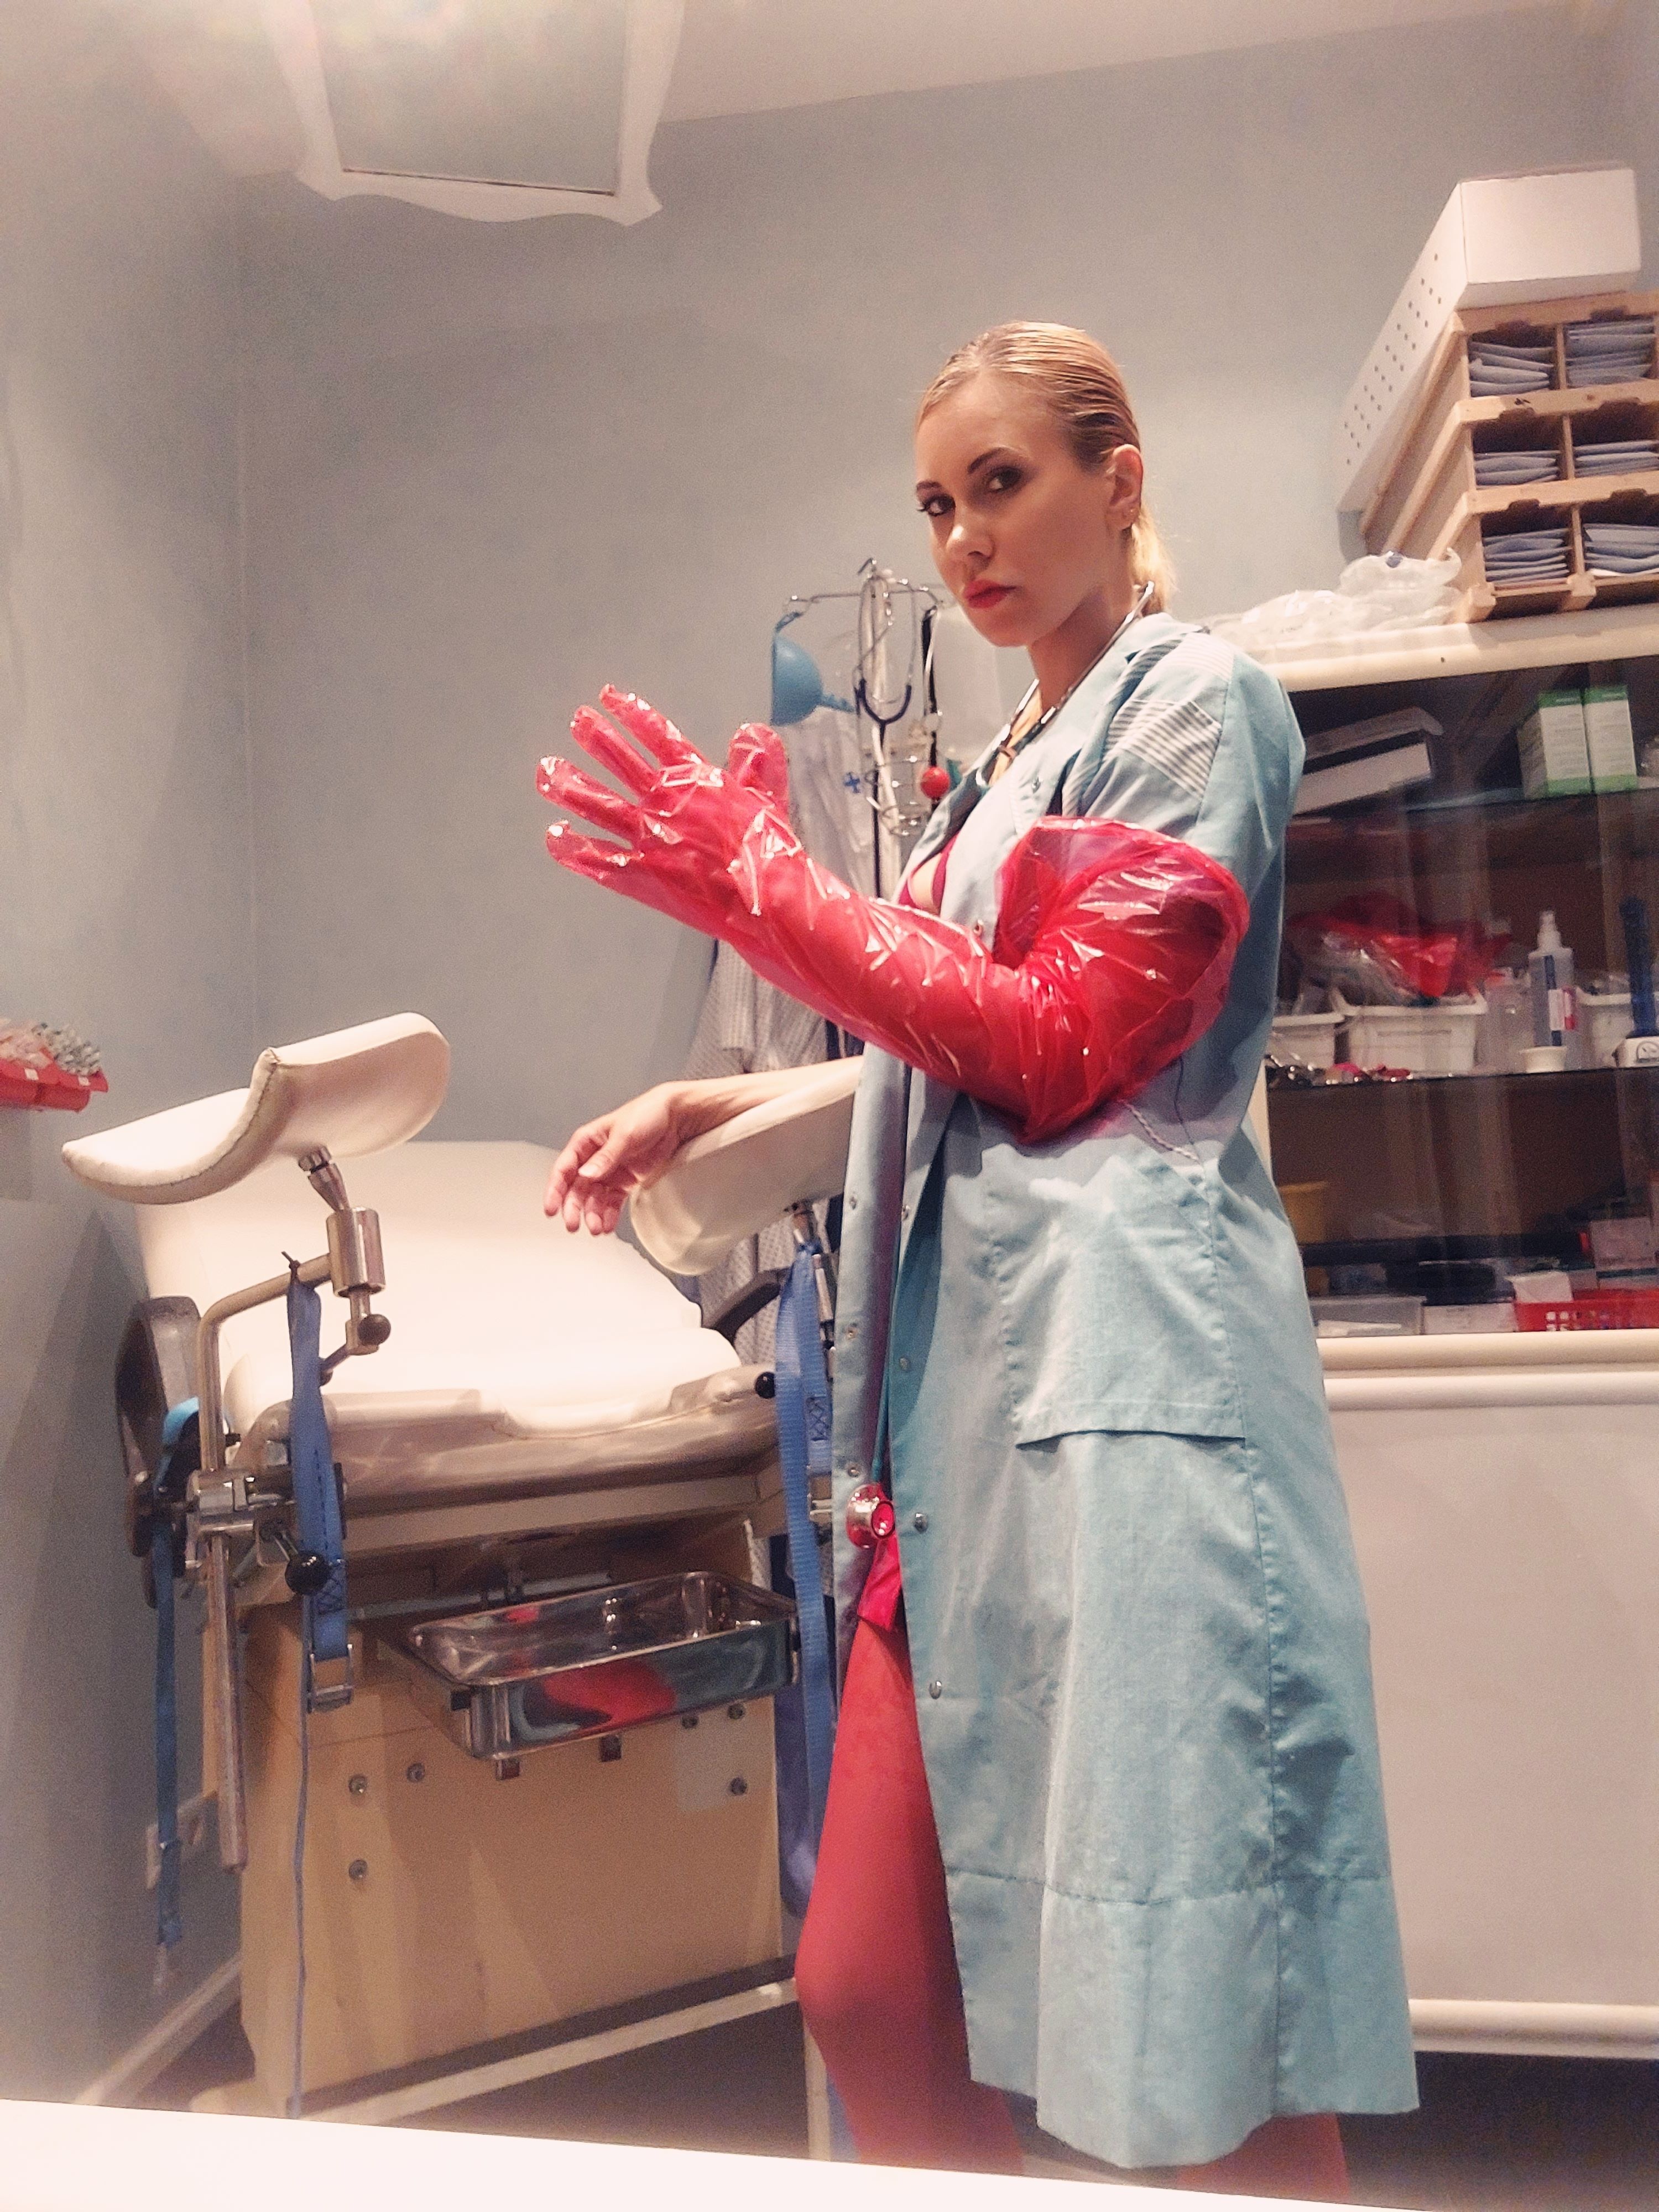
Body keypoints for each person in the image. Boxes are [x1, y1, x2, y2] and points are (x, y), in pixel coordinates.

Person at [538, 322, 1417, 2197]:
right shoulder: (998, 769)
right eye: (938, 504)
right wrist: (728, 1096)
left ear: (1121, 478)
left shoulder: (1199, 709)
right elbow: (944, 1043)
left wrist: (767, 893)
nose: (964, 540)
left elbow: (1061, 1043)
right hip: (955, 1437)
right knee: (870, 1988)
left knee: (1205, 2022)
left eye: (1002, 485)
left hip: (1129, 1409)